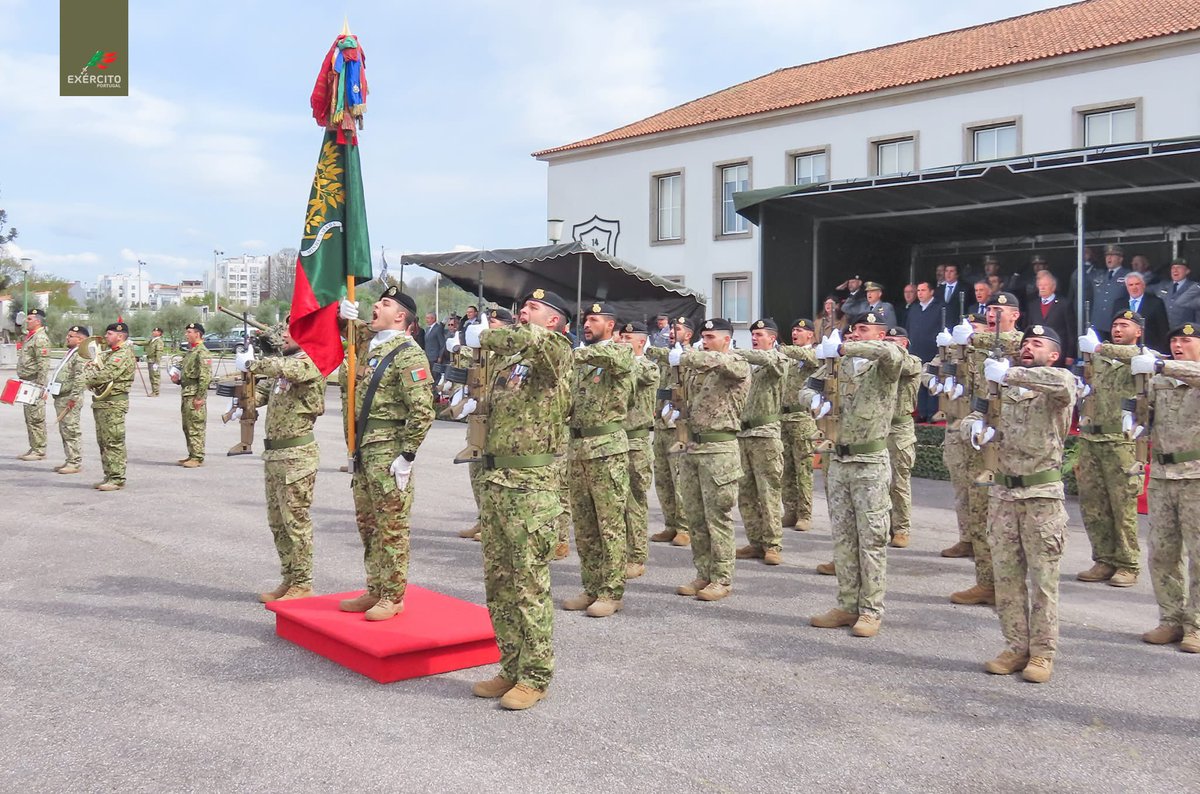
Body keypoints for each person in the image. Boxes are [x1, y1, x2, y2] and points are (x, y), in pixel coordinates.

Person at [469, 287, 574, 711]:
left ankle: (536, 674)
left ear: (553, 320)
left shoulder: (556, 350)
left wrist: (486, 334)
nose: (521, 312)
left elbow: (526, 339)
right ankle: (510, 665)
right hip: (498, 481)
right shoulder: (514, 362)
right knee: (499, 582)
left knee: (528, 582)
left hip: (531, 485)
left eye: (532, 308)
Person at [969, 325, 1076, 683]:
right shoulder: (1004, 385)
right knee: (1007, 577)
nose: (1029, 347)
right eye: (1026, 342)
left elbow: (1060, 386)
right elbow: (981, 410)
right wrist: (976, 425)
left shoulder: (1058, 382)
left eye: (1038, 343)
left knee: (1043, 580)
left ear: (1054, 354)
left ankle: (1043, 653)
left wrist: (1011, 373)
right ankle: (1016, 646)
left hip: (1040, 496)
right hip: (1003, 494)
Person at [336, 286, 436, 621]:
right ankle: (375, 588)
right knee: (368, 524)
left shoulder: (408, 354)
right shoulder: (372, 347)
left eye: (385, 303)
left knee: (392, 527)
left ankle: (393, 596)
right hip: (364, 448)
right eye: (377, 301)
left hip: (389, 451)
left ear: (401, 317)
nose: (376, 306)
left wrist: (407, 455)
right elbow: (346, 333)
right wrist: (342, 317)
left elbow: (423, 410)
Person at [809, 311, 902, 637]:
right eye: (854, 329)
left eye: (864, 329)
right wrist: (816, 400)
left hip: (870, 463)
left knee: (872, 539)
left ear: (880, 334)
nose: (854, 333)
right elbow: (808, 386)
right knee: (844, 538)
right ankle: (847, 604)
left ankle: (871, 610)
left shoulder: (886, 363)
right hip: (839, 461)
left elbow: (891, 353)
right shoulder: (839, 364)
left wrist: (850, 349)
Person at [238, 322, 326, 603]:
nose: (284, 337)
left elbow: (287, 370)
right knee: (277, 523)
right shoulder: (284, 366)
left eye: (290, 332)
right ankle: (289, 578)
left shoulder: (310, 361)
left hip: (297, 456)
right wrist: (243, 396)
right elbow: (263, 394)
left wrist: (255, 362)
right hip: (275, 454)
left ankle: (303, 582)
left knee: (295, 522)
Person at [947, 297, 1024, 604]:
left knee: (1010, 520)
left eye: (1000, 311)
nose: (993, 315)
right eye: (990, 310)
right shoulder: (977, 348)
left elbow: (1011, 344)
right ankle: (986, 581)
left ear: (1015, 315)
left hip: (1013, 440)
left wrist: (972, 337)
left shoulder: (1021, 341)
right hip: (981, 436)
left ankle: (1012, 586)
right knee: (978, 511)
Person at [561, 302, 634, 618]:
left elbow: (614, 358)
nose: (587, 324)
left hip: (607, 450)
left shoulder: (619, 353)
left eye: (594, 320)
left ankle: (611, 591)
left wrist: (571, 351)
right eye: (585, 320)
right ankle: (591, 586)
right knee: (585, 525)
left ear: (611, 326)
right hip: (577, 449)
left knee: (611, 525)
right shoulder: (581, 361)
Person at [1133, 322, 1200, 653]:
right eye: (1173, 340)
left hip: (1196, 475)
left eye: (1186, 340)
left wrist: (1161, 364)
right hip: (1162, 474)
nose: (1178, 344)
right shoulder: (1159, 381)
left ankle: (1197, 625)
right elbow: (1143, 415)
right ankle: (1171, 619)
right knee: (1162, 551)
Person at [674, 318, 751, 602]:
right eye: (703, 337)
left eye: (710, 337)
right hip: (694, 447)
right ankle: (703, 572)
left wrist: (687, 355)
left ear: (726, 340)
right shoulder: (699, 368)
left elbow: (727, 366)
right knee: (695, 516)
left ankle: (722, 578)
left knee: (718, 516)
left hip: (720, 450)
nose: (704, 341)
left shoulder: (736, 363)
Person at [1074, 312, 1147, 588]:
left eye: (1124, 325)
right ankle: (1103, 559)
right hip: (1092, 439)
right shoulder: (1098, 359)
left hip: (1122, 441)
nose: (1117, 329)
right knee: (1094, 505)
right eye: (1115, 325)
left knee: (1122, 506)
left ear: (1138, 331)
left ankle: (1128, 564)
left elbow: (1143, 363)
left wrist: (1099, 348)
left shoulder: (1142, 357)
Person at [733, 318, 788, 566]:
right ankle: (755, 541)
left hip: (765, 434)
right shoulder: (749, 366)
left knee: (769, 492)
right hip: (743, 435)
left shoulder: (777, 360)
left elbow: (768, 360)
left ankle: (772, 544)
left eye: (760, 334)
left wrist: (730, 352)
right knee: (745, 493)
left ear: (773, 338)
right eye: (753, 334)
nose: (755, 338)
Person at [646, 316, 694, 545]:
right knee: (663, 478)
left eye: (679, 329)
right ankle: (670, 524)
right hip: (661, 426)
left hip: (678, 427)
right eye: (672, 330)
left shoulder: (691, 357)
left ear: (690, 334)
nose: (673, 333)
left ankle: (685, 527)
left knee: (679, 477)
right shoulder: (666, 358)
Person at [618, 320, 659, 579]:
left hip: (636, 442)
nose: (622, 342)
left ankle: (636, 555)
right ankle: (619, 552)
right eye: (620, 337)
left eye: (627, 339)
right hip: (615, 440)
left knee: (634, 500)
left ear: (641, 342)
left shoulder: (648, 367)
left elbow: (642, 373)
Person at [82, 322, 136, 491]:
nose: (106, 337)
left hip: (114, 402)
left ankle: (117, 478)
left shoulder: (123, 354)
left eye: (109, 334)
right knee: (103, 441)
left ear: (120, 336)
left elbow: (106, 374)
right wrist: (91, 367)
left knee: (113, 441)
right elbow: (99, 370)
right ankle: (109, 475)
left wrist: (86, 379)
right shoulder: (111, 354)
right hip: (103, 401)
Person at [779, 318, 819, 531]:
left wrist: (782, 349)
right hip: (783, 418)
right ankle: (790, 510)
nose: (795, 333)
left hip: (803, 418)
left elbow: (807, 357)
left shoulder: (813, 354)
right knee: (786, 468)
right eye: (793, 329)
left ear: (810, 335)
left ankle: (805, 514)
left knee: (803, 467)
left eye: (800, 331)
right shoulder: (789, 358)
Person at [884, 326, 922, 548]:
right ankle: (884, 527)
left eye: (894, 340)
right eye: (886, 340)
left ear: (904, 343)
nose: (889, 344)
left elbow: (901, 366)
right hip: (880, 428)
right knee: (880, 482)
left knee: (898, 482)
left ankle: (901, 529)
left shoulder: (913, 362)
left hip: (900, 429)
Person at [49, 325, 87, 475]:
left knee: (71, 429)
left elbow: (80, 377)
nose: (67, 337)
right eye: (68, 335)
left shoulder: (80, 354)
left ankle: (75, 461)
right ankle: (69, 458)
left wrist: (74, 397)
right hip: (61, 396)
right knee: (64, 429)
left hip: (70, 397)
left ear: (80, 340)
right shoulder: (71, 352)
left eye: (71, 336)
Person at [173, 322, 211, 468]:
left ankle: (198, 456)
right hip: (187, 392)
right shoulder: (191, 351)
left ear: (198, 334)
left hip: (195, 393)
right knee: (187, 426)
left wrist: (200, 397)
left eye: (189, 332)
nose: (187, 334)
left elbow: (205, 377)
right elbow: (188, 373)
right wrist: (178, 380)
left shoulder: (202, 352)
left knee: (196, 426)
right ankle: (192, 454)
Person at [15, 308, 51, 461]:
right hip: (27, 382)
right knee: (29, 416)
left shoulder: (40, 338)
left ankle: (39, 448)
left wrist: (41, 386)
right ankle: (34, 446)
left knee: (36, 417)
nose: (26, 321)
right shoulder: (31, 336)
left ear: (38, 321)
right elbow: (19, 333)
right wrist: (17, 324)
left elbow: (43, 364)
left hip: (35, 382)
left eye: (29, 319)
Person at [905, 281, 942, 421]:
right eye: (918, 290)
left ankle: (932, 412)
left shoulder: (939, 308)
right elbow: (909, 328)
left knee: (932, 379)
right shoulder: (914, 308)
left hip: (932, 351)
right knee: (918, 381)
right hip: (916, 350)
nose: (920, 293)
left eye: (923, 290)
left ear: (931, 292)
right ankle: (921, 412)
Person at [1024, 271, 1075, 364]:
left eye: (1045, 285)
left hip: (1058, 353)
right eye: (1040, 285)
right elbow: (1028, 328)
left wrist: (1070, 354)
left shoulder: (1064, 304)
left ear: (1053, 287)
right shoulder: (1032, 305)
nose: (1042, 288)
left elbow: (1070, 331)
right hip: (1037, 354)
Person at [1113, 271, 1169, 352]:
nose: (1134, 287)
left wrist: (1162, 352)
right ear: (1126, 287)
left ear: (1143, 285)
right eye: (1131, 285)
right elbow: (1114, 327)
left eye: (1137, 284)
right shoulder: (1119, 303)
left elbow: (1163, 330)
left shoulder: (1156, 303)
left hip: (1150, 350)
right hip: (1124, 350)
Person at [1089, 244, 1131, 333]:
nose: (1109, 258)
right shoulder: (1099, 275)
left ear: (1120, 259)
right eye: (1107, 255)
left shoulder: (1128, 275)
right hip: (1098, 323)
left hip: (1116, 324)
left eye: (1112, 255)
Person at [1157, 258, 1200, 328]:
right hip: (1164, 332)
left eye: (1179, 267)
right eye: (1173, 268)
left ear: (1187, 271)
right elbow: (1143, 287)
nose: (1175, 270)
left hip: (1185, 332)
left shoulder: (1195, 288)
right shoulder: (1163, 285)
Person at [145, 327, 164, 397]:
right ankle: (154, 391)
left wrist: (157, 363)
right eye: (153, 331)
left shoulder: (159, 341)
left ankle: (156, 392)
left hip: (154, 361)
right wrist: (133, 342)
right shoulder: (152, 340)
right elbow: (145, 343)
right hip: (150, 360)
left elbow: (159, 352)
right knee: (152, 376)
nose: (153, 332)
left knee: (155, 377)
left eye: (156, 331)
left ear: (159, 333)